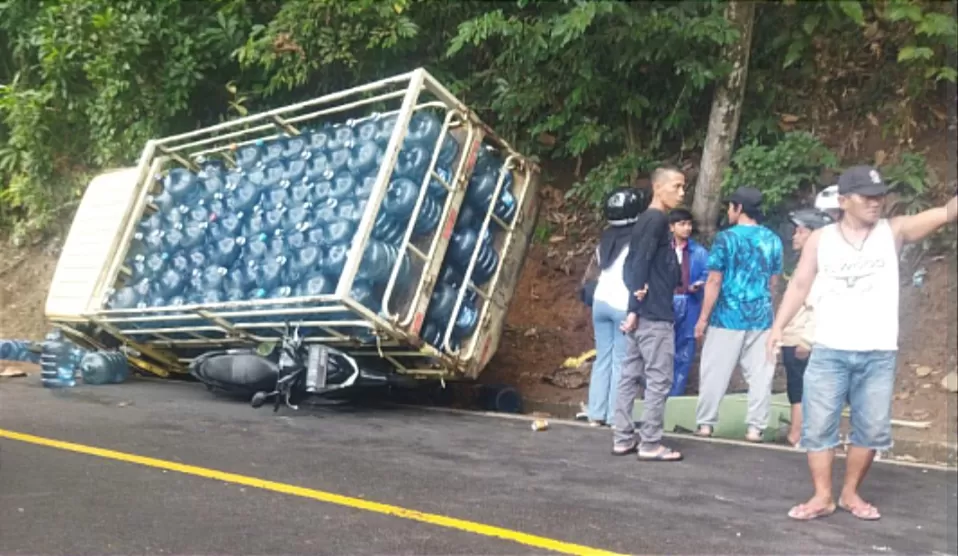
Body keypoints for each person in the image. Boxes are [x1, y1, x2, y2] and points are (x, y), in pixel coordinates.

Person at [768, 165, 957, 521]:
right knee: (818, 426)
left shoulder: (894, 230)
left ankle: (850, 493)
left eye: (880, 195)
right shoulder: (820, 239)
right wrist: (779, 326)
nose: (876, 202)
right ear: (843, 200)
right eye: (867, 197)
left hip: (878, 352)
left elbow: (947, 213)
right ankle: (822, 496)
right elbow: (799, 285)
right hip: (829, 350)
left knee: (870, 429)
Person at [693, 186, 783, 443]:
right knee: (760, 374)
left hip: (727, 316)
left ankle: (706, 424)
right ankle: (755, 428)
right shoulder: (773, 239)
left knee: (714, 370)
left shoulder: (726, 239)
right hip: (761, 316)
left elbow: (713, 280)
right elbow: (774, 282)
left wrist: (702, 319)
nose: (729, 212)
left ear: (739, 208)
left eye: (730, 206)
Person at [613, 166, 685, 462]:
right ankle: (650, 441)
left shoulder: (647, 220)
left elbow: (632, 262)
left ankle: (623, 437)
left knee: (630, 375)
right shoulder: (655, 220)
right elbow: (638, 261)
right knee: (658, 379)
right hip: (653, 314)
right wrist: (635, 302)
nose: (682, 193)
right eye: (677, 186)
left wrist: (634, 301)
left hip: (645, 311)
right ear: (659, 188)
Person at [581, 187, 648, 427]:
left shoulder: (605, 238)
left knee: (602, 359)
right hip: (622, 303)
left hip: (600, 302)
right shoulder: (637, 240)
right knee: (621, 361)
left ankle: (595, 414)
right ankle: (614, 416)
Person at [779, 208, 834, 446]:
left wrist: (807, 339)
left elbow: (819, 305)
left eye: (800, 231)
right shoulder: (805, 264)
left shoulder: (819, 268)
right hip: (793, 334)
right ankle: (798, 432)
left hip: (803, 336)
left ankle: (800, 433)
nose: (795, 236)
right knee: (795, 386)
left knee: (804, 387)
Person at [667, 208, 709, 396]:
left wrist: (700, 284)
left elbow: (709, 274)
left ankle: (675, 395)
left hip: (690, 302)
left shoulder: (699, 252)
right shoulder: (663, 250)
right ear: (671, 227)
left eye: (689, 224)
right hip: (666, 302)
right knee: (663, 348)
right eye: (682, 224)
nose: (687, 228)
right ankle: (658, 394)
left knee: (685, 350)